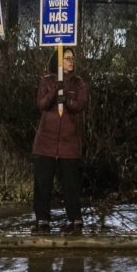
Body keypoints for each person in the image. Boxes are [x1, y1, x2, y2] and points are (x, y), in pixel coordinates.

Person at [31, 48, 88, 232]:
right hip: (46, 139)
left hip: (69, 140)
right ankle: (42, 218)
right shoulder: (46, 81)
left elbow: (80, 105)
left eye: (73, 58)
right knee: (42, 182)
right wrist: (56, 89)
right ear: (58, 60)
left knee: (71, 182)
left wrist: (68, 102)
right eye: (67, 58)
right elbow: (41, 104)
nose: (71, 61)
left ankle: (74, 217)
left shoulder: (78, 83)